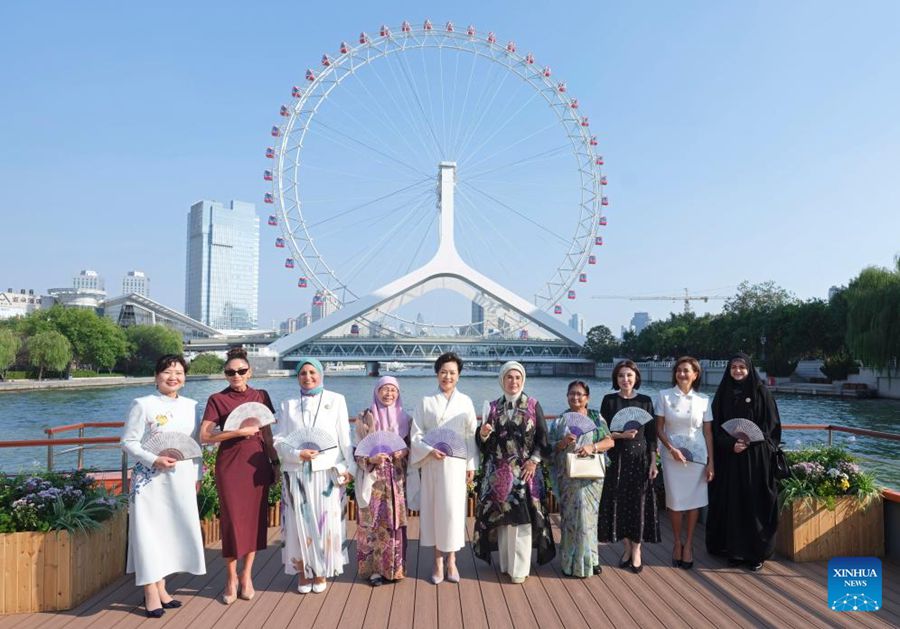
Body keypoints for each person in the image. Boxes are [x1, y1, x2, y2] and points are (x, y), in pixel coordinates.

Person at [121, 354, 205, 618]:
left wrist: (198, 476)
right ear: (157, 376)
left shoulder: (192, 406)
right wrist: (153, 459)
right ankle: (150, 590)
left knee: (170, 533)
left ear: (185, 378)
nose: (173, 377)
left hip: (181, 478)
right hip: (150, 480)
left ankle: (162, 586)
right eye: (167, 372)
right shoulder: (143, 404)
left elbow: (196, 446)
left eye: (179, 372)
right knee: (148, 534)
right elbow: (128, 442)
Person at [199, 348, 278, 604]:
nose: (236, 375)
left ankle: (247, 575)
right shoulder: (217, 399)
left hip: (257, 463)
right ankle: (231, 577)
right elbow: (205, 436)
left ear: (249, 372)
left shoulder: (261, 396)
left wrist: (275, 463)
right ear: (225, 374)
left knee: (255, 520)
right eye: (231, 372)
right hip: (230, 465)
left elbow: (267, 434)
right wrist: (237, 433)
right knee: (232, 521)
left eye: (241, 371)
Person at [273, 357, 355, 594]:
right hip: (296, 472)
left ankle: (320, 571)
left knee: (324, 522)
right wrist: (296, 453)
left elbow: (344, 437)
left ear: (321, 374)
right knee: (297, 523)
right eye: (303, 373)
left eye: (312, 372)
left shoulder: (336, 400)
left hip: (326, 473)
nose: (308, 377)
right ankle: (302, 571)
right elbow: (279, 439)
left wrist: (349, 468)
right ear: (297, 376)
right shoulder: (288, 404)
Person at [473, 361, 555, 584]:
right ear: (502, 380)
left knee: (523, 520)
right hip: (499, 474)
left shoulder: (533, 405)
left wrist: (534, 461)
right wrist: (483, 434)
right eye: (509, 377)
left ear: (523, 380)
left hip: (526, 473)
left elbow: (543, 438)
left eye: (517, 377)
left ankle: (519, 568)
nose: (513, 381)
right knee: (504, 519)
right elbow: (485, 445)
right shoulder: (493, 407)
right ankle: (506, 564)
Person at [706, 352, 781, 572]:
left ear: (749, 369)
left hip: (756, 460)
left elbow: (771, 427)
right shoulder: (723, 394)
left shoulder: (762, 393)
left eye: (742, 367)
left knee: (754, 503)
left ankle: (756, 553)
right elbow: (715, 428)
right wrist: (731, 443)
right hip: (730, 459)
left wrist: (750, 441)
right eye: (733, 367)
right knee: (733, 504)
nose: (737, 371)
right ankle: (735, 551)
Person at [410, 352, 478, 585]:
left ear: (458, 376)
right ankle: (438, 561)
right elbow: (416, 434)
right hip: (432, 463)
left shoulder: (466, 401)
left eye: (452, 373)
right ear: (437, 374)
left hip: (456, 464)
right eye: (443, 372)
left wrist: (471, 465)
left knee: (453, 512)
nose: (447, 376)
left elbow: (470, 436)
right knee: (434, 511)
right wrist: (429, 450)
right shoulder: (425, 401)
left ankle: (452, 561)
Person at [597, 360, 660, 572]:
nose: (625, 379)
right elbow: (603, 433)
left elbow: (651, 436)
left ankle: (637, 550)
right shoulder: (609, 401)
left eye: (629, 375)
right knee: (619, 503)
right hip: (617, 460)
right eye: (621, 375)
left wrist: (653, 462)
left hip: (640, 460)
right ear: (616, 379)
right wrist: (621, 435)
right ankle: (626, 548)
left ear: (636, 378)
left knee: (638, 504)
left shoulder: (645, 401)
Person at [549, 380, 613, 577]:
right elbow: (549, 448)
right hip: (569, 477)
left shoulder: (596, 417)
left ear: (587, 398)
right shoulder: (560, 421)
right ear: (567, 396)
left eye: (579, 394)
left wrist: (592, 447)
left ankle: (591, 560)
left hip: (591, 478)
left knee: (589, 519)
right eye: (572, 394)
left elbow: (609, 441)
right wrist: (563, 442)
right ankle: (570, 562)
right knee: (571, 519)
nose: (575, 397)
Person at [655, 356, 714, 570]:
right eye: (679, 370)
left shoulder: (704, 400)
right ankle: (677, 542)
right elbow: (659, 428)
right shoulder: (664, 396)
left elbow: (708, 433)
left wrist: (711, 463)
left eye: (686, 370)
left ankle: (688, 544)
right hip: (672, 455)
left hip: (697, 456)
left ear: (695, 374)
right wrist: (671, 449)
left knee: (694, 502)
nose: (682, 374)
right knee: (675, 502)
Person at [354, 376, 411, 585]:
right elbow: (356, 451)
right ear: (376, 392)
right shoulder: (364, 418)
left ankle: (394, 569)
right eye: (384, 389)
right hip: (373, 479)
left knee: (394, 523)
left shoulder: (405, 419)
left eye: (393, 390)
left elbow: (411, 448)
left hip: (396, 479)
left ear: (398, 393)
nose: (389, 394)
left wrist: (404, 452)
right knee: (372, 522)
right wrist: (370, 459)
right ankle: (374, 571)